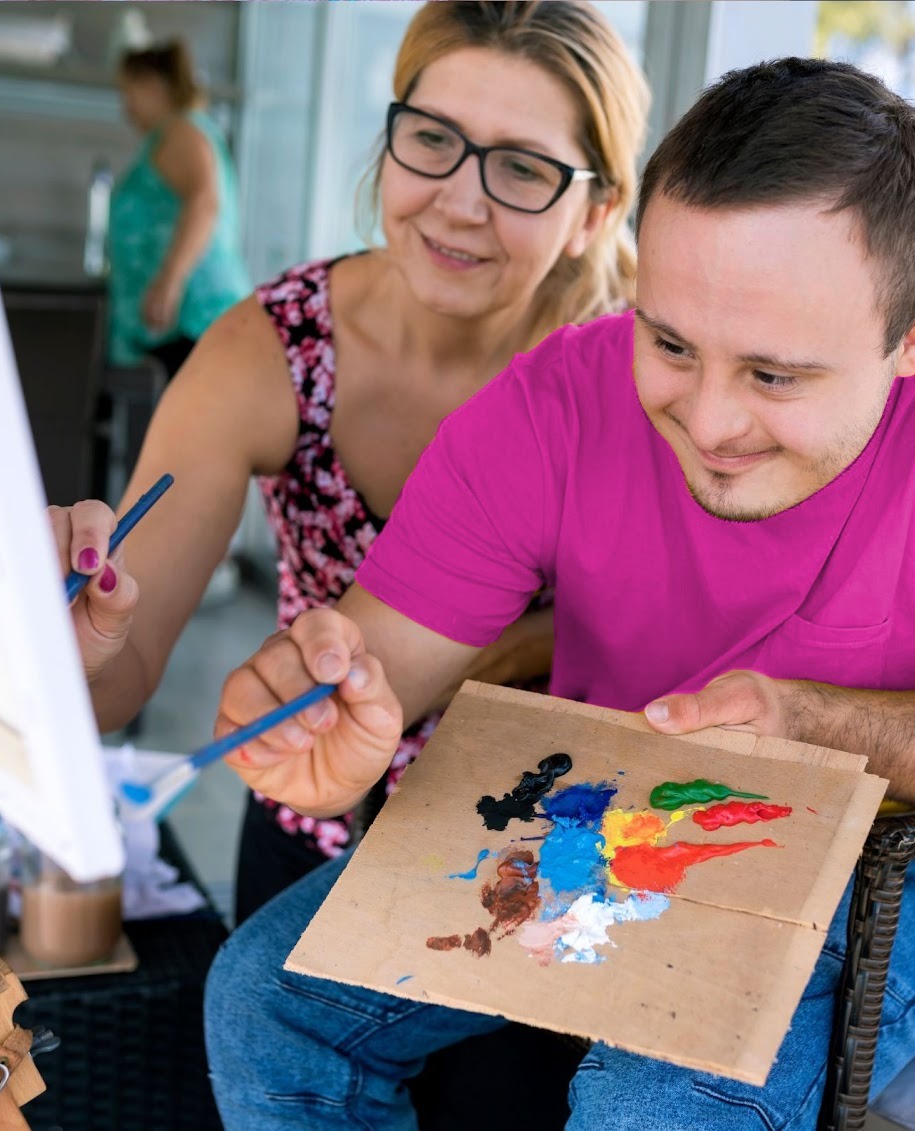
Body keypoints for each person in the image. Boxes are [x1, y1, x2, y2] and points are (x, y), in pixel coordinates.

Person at [201, 57, 915, 1129]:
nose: (707, 421)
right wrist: (330, 712)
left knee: (648, 1103)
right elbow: (377, 658)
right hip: (596, 818)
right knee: (260, 1001)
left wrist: (809, 724)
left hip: (884, 860)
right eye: (670, 343)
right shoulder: (556, 399)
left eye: (774, 375)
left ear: (912, 340)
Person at [54, 1, 649, 924]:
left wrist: (474, 654)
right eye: (431, 140)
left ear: (594, 213)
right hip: (314, 837)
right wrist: (76, 638)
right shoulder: (275, 348)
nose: (459, 200)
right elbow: (121, 676)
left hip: (560, 863)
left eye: (524, 169)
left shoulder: (654, 376)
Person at [108, 40, 252, 380]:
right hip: (182, 326)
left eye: (128, 92)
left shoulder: (182, 131)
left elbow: (205, 203)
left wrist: (169, 282)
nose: (125, 107)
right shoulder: (179, 132)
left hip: (192, 319)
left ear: (153, 87)